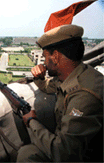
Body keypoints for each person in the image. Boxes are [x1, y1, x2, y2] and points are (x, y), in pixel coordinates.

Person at [17, 24, 103, 162]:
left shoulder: (84, 96)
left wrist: (32, 121)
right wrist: (39, 77)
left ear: (55, 57)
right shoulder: (77, 74)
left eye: (45, 57)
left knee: (26, 155)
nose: (44, 63)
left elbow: (63, 153)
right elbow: (49, 87)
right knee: (27, 153)